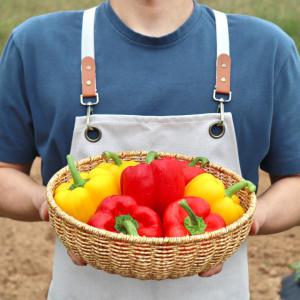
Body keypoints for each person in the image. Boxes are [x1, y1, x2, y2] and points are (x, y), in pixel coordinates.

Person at [0, 0, 300, 299]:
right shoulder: (37, 46)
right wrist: (47, 204)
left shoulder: (266, 50)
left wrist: (252, 219)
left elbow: (295, 181)